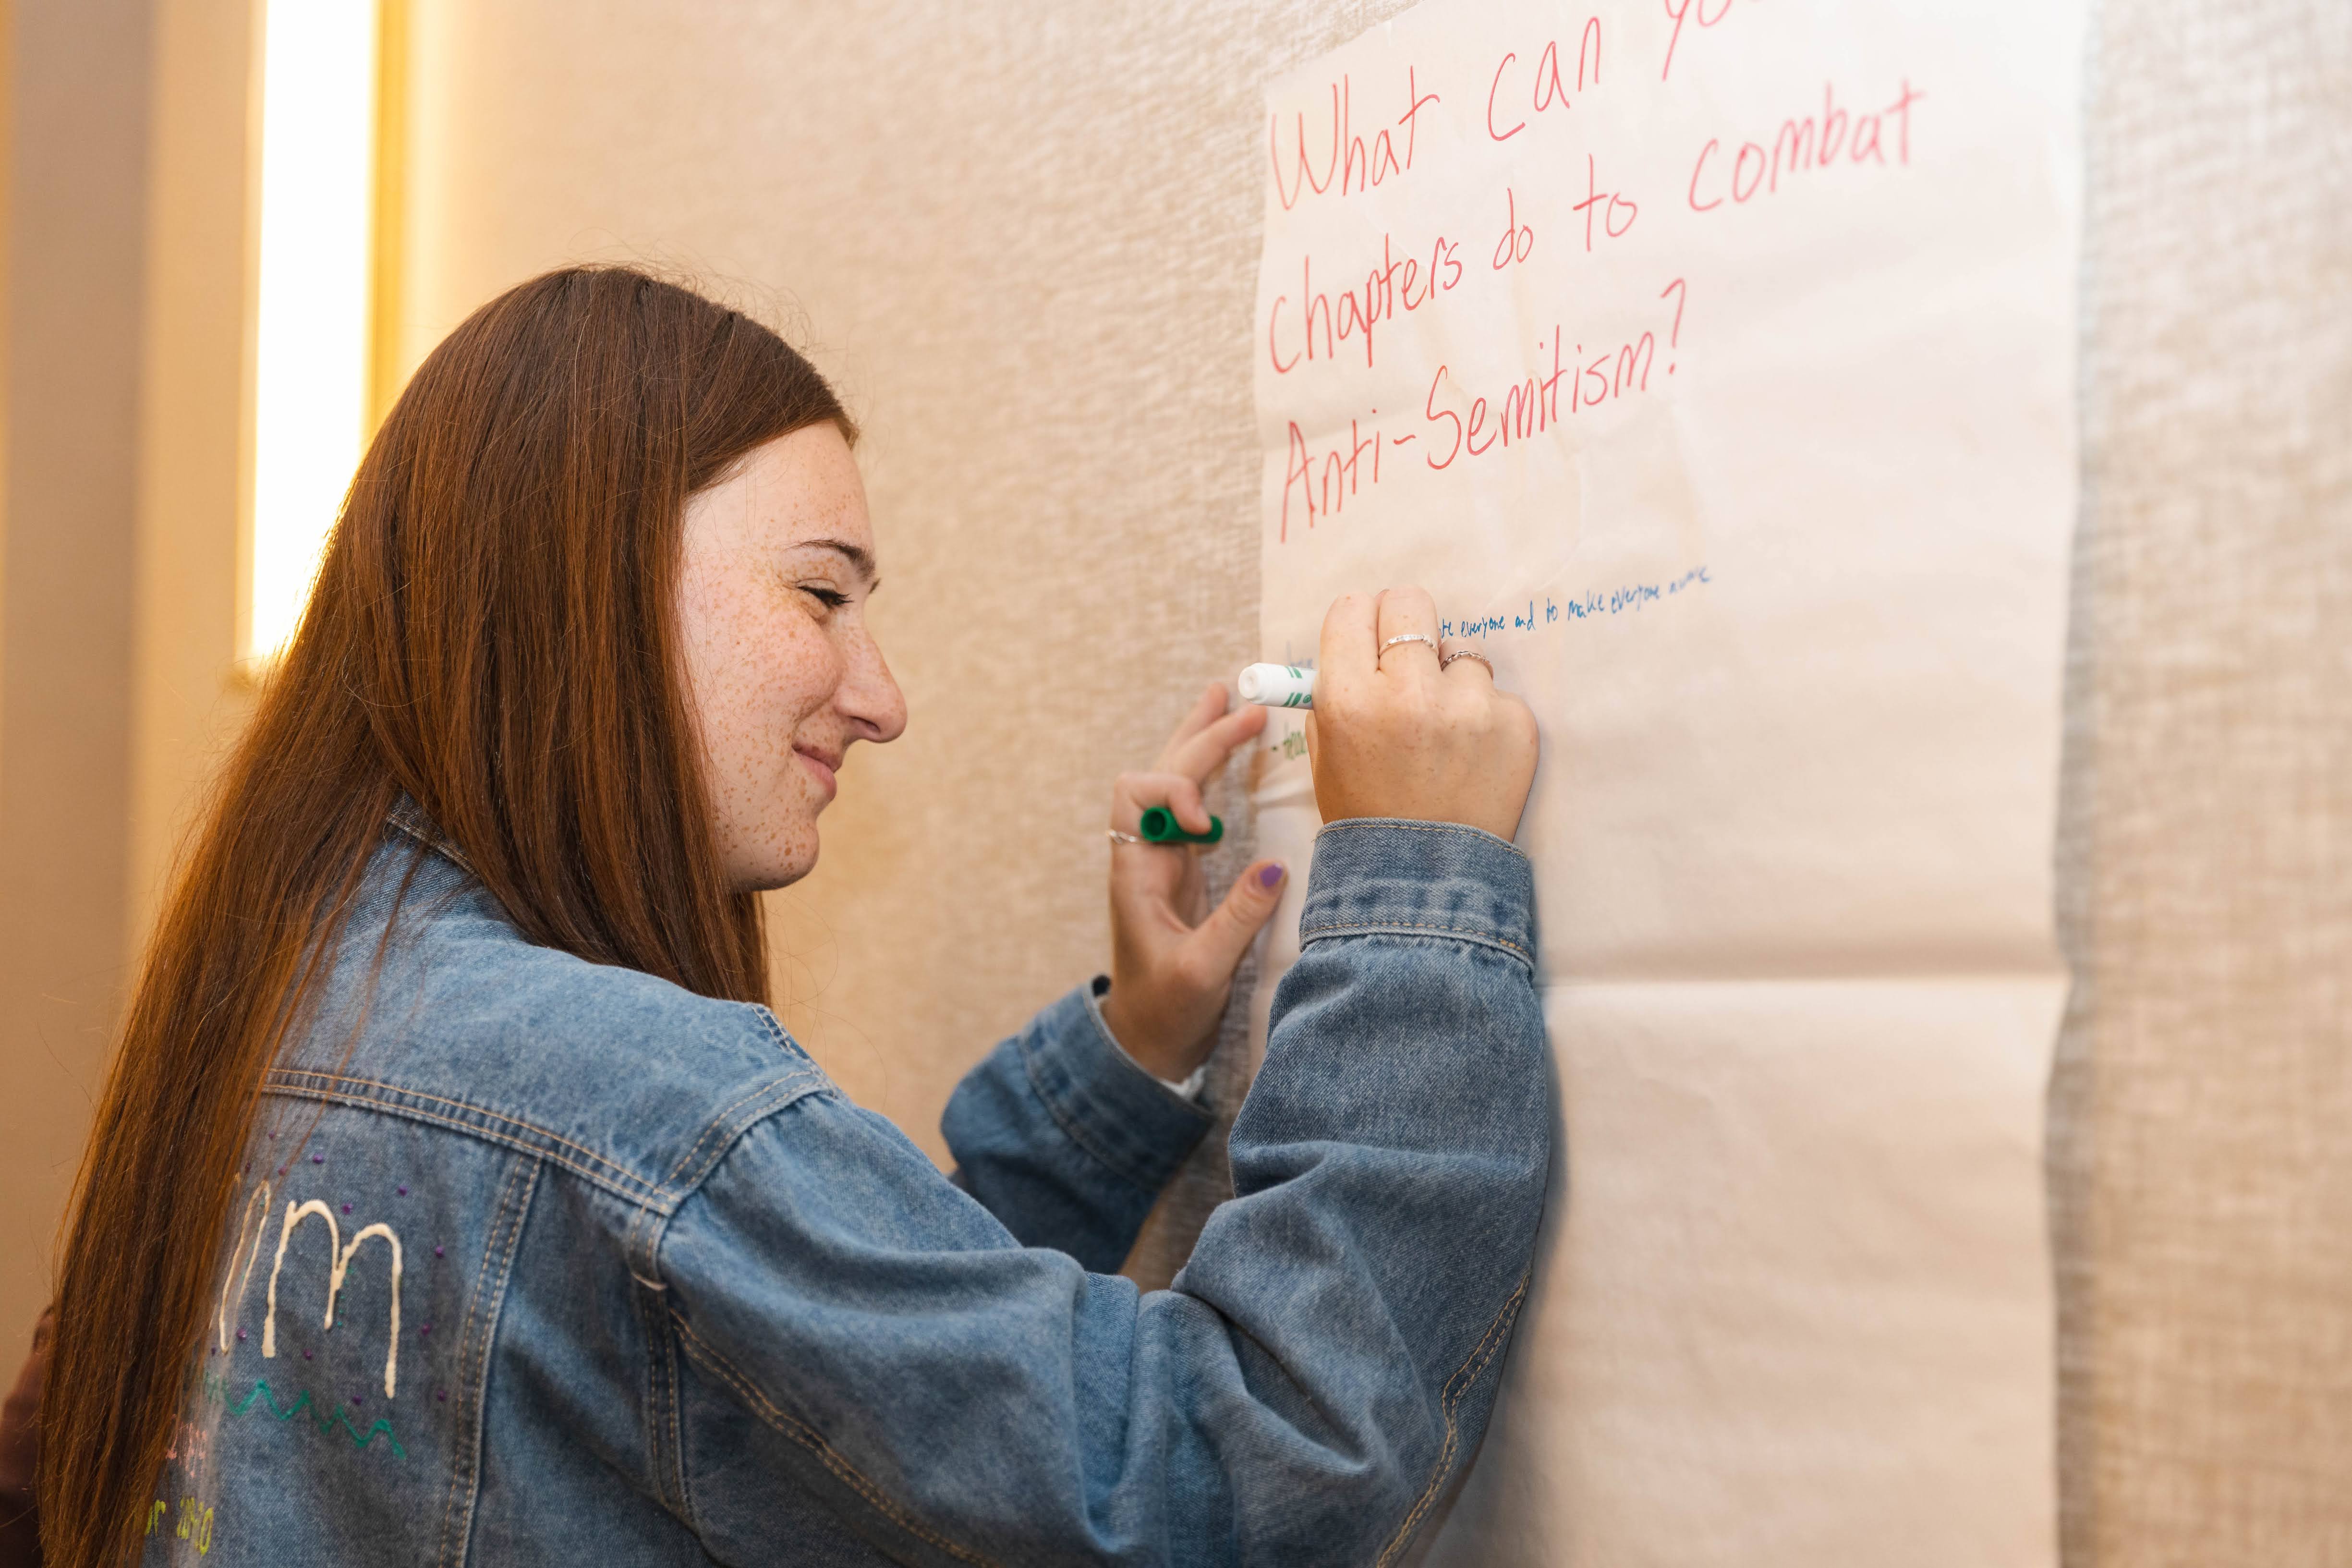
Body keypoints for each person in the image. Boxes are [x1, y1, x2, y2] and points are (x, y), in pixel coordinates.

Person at [25, 267, 1545, 1567]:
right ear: (588, 573)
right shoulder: (619, 1110)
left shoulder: (289, 999)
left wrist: (1129, 1055)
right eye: (823, 595)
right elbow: (1252, 1467)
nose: (883, 698)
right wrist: (1413, 884)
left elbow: (823, 1377)